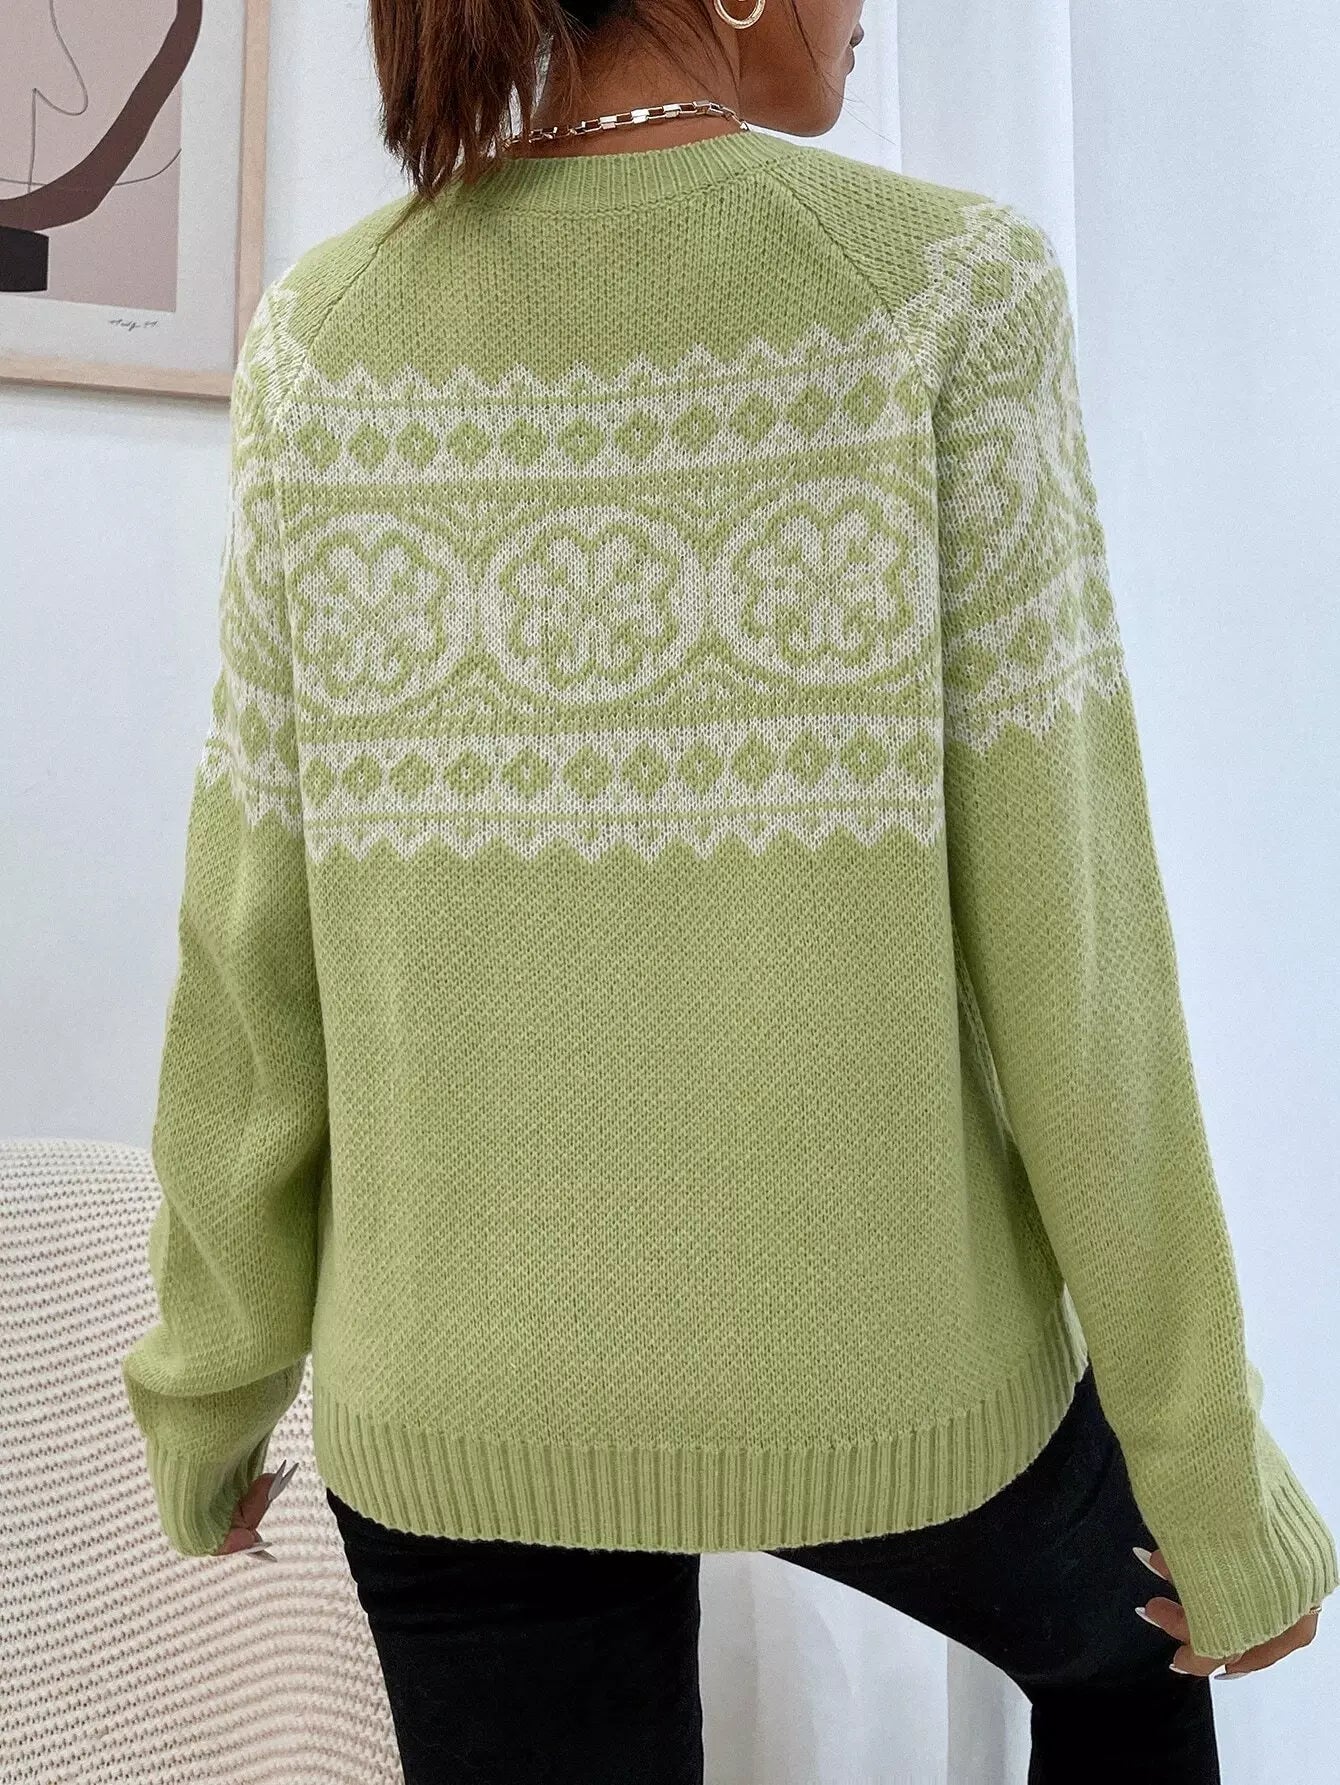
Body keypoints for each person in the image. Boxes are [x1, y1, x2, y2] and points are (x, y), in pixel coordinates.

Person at [121, 0, 1336, 1778]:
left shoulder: (324, 337)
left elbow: (251, 933)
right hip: (889, 1368)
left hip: (455, 1399)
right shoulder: (950, 293)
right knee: (1131, 1661)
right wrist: (1208, 1473)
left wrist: (209, 1379)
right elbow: (1076, 960)